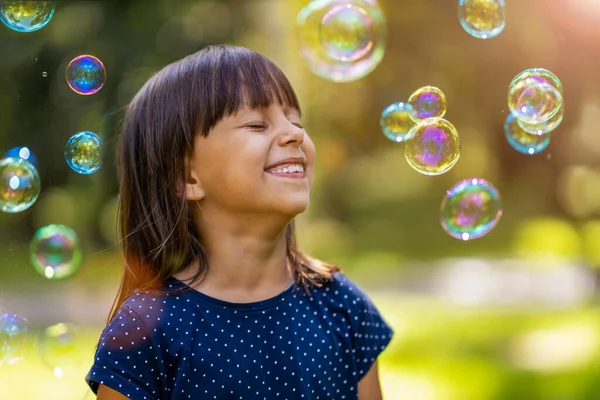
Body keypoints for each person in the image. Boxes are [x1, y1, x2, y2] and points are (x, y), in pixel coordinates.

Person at [86, 44, 394, 400]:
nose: (294, 134)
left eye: (296, 121)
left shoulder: (341, 305)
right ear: (187, 178)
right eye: (257, 124)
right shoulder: (147, 330)